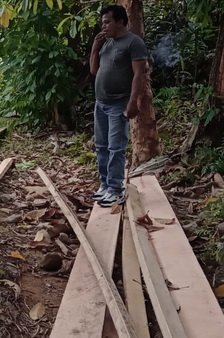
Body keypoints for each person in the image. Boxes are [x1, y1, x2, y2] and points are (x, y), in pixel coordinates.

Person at [89, 5, 148, 207]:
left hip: (118, 104)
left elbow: (139, 74)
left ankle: (115, 189)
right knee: (101, 146)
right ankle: (105, 185)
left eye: (107, 22)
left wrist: (133, 102)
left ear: (121, 21)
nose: (103, 26)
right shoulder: (106, 42)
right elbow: (94, 71)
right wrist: (95, 48)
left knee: (116, 148)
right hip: (101, 103)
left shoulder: (133, 42)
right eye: (102, 22)